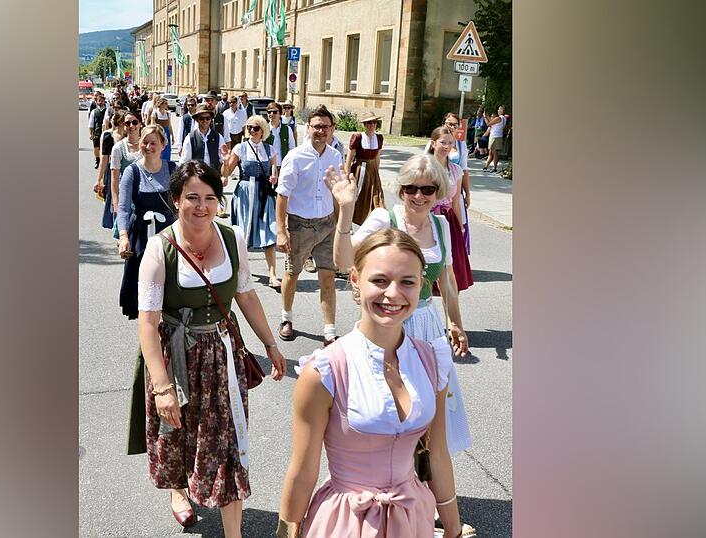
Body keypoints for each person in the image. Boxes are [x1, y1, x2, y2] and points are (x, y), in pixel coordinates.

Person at [276, 228, 474, 538]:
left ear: (421, 284)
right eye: (380, 280)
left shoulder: (432, 360)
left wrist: (452, 527)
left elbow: (436, 455)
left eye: (407, 282)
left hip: (412, 518)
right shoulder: (325, 371)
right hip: (345, 521)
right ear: (355, 279)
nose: (393, 294)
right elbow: (302, 472)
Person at [128, 160, 287, 538]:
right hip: (175, 352)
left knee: (228, 440)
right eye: (192, 197)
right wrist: (163, 386)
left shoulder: (233, 239)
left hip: (221, 353)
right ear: (175, 199)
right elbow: (147, 323)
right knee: (178, 433)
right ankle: (179, 491)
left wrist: (270, 343)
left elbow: (246, 295)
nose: (202, 206)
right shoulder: (158, 249)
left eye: (210, 198)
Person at [275, 105, 344, 346]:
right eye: (317, 126)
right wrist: (281, 231)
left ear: (332, 129)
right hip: (299, 226)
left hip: (326, 225)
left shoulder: (336, 156)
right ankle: (286, 318)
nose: (321, 131)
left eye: (325, 127)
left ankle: (329, 331)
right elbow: (282, 195)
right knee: (292, 274)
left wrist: (341, 226)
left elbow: (337, 193)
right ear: (308, 128)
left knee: (328, 278)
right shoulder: (295, 157)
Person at [117, 125, 178, 319]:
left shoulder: (173, 169)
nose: (148, 146)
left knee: (171, 287)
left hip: (169, 235)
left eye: (154, 142)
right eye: (145, 142)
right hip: (142, 236)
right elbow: (123, 208)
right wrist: (123, 236)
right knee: (145, 291)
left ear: (163, 145)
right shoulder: (132, 172)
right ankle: (148, 339)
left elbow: (182, 203)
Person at [220, 114, 281, 290]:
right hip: (245, 192)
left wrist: (274, 178)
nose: (251, 131)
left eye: (255, 128)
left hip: (263, 194)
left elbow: (274, 172)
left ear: (263, 131)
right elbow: (227, 172)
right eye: (249, 128)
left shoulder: (270, 150)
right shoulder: (240, 148)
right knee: (241, 232)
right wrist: (225, 160)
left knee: (269, 231)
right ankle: (238, 270)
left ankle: (272, 274)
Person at [428, 128, 474, 286]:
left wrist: (461, 228)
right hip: (427, 217)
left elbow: (456, 202)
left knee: (451, 265)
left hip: (449, 219)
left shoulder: (456, 170)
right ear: (434, 143)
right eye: (442, 142)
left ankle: (450, 299)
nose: (446, 146)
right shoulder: (424, 167)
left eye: (450, 143)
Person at [344, 112, 386, 225]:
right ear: (365, 125)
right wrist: (347, 175)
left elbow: (377, 156)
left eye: (374, 122)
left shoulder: (379, 138)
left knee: (376, 195)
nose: (372, 125)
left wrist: (376, 172)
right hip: (360, 170)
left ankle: (374, 222)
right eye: (369, 122)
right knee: (357, 196)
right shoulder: (358, 137)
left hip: (372, 170)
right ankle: (349, 221)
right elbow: (349, 157)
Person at [109, 112, 144, 236]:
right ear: (123, 125)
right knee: (125, 236)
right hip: (126, 196)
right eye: (127, 123)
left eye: (134, 122)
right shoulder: (118, 148)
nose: (131, 126)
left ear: (140, 123)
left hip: (144, 195)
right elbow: (114, 178)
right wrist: (116, 203)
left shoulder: (146, 145)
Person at [95, 110, 127, 230]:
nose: (129, 126)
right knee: (116, 201)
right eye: (126, 123)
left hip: (128, 172)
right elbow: (104, 159)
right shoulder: (109, 136)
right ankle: (118, 228)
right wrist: (99, 180)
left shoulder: (131, 137)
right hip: (113, 172)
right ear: (119, 122)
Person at [484, 105, 508, 172]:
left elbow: (489, 124)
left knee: (494, 153)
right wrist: (486, 116)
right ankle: (486, 166)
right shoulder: (503, 118)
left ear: (503, 111)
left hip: (495, 137)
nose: (498, 110)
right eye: (498, 109)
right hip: (497, 136)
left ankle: (494, 168)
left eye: (500, 109)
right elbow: (492, 123)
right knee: (491, 152)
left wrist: (485, 116)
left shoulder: (498, 118)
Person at [149, 95, 174, 161]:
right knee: (159, 150)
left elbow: (169, 125)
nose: (167, 105)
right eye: (165, 103)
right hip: (159, 134)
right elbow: (152, 125)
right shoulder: (155, 113)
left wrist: (173, 137)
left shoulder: (168, 114)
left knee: (167, 151)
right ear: (161, 104)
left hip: (166, 134)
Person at [88, 92, 108, 169]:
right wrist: (90, 133)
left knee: (103, 148)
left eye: (101, 101)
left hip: (105, 132)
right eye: (98, 101)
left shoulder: (107, 110)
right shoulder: (94, 111)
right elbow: (91, 124)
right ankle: (97, 160)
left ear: (104, 101)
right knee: (96, 148)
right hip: (97, 132)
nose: (100, 102)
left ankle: (104, 161)